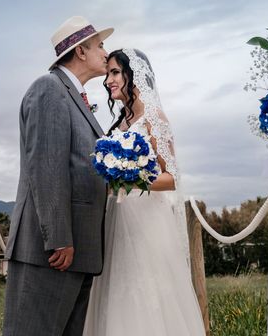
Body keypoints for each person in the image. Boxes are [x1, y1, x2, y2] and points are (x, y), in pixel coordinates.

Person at [3, 16, 113, 336]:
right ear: (81, 52)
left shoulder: (74, 97)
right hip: (51, 252)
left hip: (77, 252)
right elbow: (47, 167)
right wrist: (59, 237)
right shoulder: (49, 89)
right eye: (100, 45)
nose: (106, 52)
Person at [83, 48, 206, 336]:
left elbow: (171, 177)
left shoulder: (155, 117)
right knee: (115, 290)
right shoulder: (120, 124)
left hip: (147, 223)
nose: (108, 80)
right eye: (109, 73)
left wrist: (131, 178)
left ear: (133, 74)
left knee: (148, 293)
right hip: (116, 217)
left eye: (115, 72)